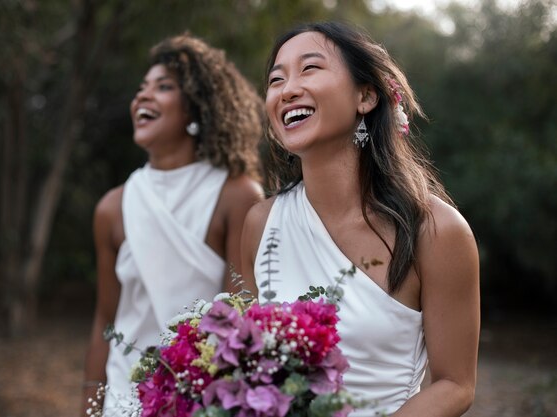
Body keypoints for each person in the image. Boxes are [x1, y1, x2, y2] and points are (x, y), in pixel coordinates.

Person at [241, 21, 480, 417]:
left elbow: (455, 385)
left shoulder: (436, 230)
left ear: (366, 96)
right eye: (276, 79)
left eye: (310, 69)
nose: (287, 90)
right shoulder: (259, 223)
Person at [82, 34, 265, 416]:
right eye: (141, 89)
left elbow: (239, 314)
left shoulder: (236, 194)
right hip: (122, 401)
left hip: (200, 400)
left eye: (163, 87)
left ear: (196, 108)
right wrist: (91, 406)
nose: (142, 97)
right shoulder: (112, 208)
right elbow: (106, 317)